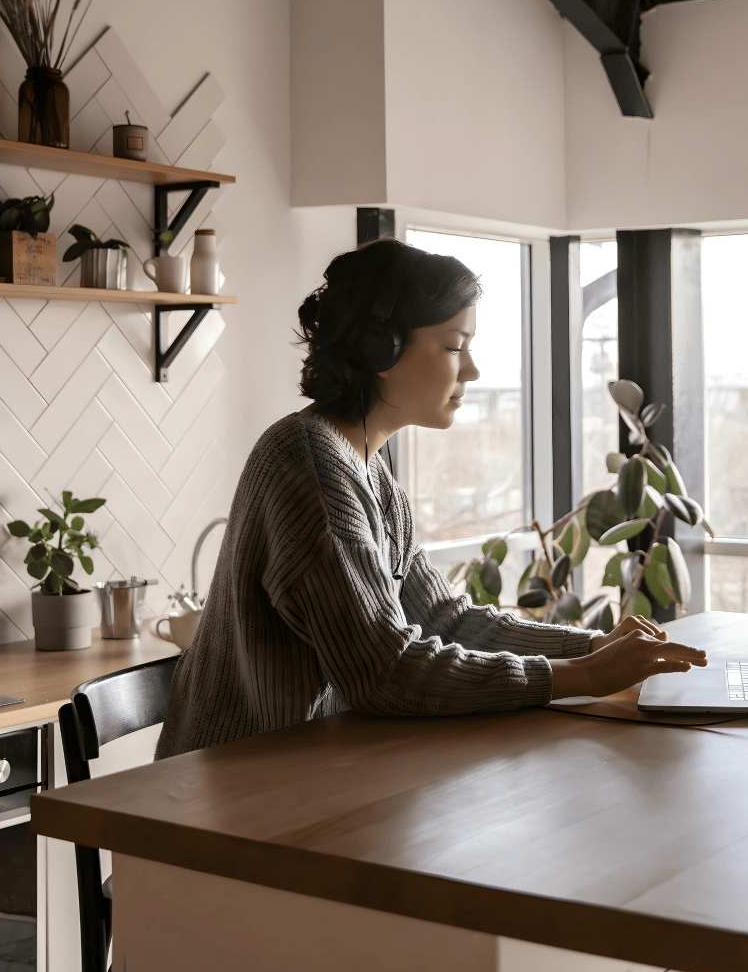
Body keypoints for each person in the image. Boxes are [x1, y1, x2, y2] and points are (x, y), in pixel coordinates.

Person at [156, 237, 707, 758]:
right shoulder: (311, 467)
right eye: (454, 346)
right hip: (230, 788)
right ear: (379, 349)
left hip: (306, 767)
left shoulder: (365, 468)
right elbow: (383, 673)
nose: (472, 369)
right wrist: (582, 676)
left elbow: (444, 619)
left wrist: (592, 647)